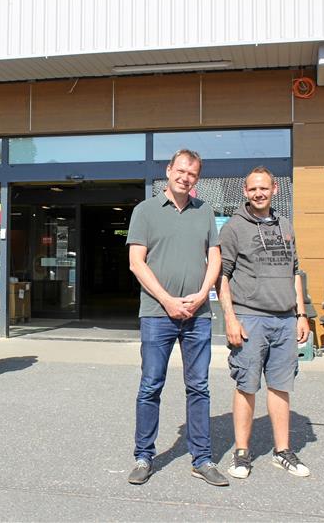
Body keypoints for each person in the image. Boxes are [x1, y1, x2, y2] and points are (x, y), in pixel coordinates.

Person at [125, 149, 227, 487]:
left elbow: (214, 258)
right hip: (157, 314)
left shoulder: (205, 212)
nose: (185, 177)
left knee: (198, 386)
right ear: (169, 171)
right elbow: (136, 262)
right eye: (180, 170)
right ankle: (144, 456)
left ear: (197, 179)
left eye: (192, 174)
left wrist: (201, 295)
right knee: (150, 385)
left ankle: (202, 458)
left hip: (197, 315)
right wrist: (168, 300)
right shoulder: (145, 210)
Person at [216, 166, 311, 479]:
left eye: (264, 188)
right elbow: (223, 277)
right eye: (253, 189)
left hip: (285, 319)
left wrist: (301, 313)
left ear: (275, 190)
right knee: (246, 385)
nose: (258, 193)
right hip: (250, 319)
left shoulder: (287, 225)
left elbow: (295, 272)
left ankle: (282, 451)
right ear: (245, 192)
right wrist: (230, 318)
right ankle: (242, 453)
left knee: (281, 386)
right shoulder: (233, 228)